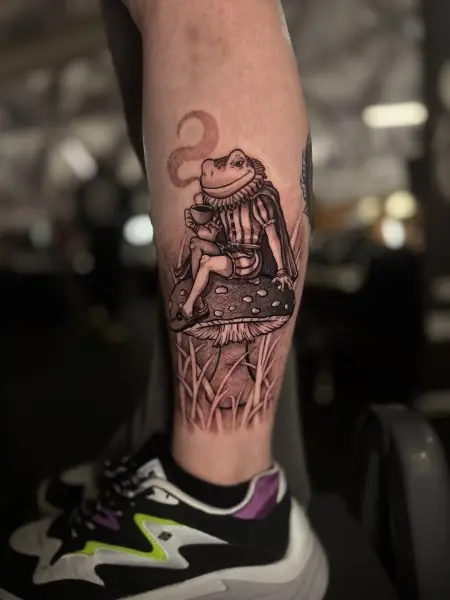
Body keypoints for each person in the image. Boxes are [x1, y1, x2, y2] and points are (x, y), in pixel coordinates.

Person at [0, 2, 328, 599]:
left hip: (251, 268)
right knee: (148, 40)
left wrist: (270, 270)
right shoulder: (229, 204)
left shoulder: (253, 198)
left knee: (197, 11)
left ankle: (220, 491)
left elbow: (275, 238)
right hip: (237, 266)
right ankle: (206, 467)